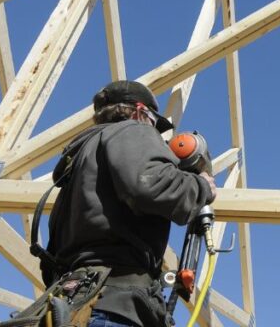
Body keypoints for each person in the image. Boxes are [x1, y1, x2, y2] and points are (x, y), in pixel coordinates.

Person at [43, 80, 217, 326]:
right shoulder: (133, 129)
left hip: (77, 303)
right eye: (155, 123)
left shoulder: (77, 166)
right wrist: (202, 186)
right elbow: (149, 184)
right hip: (113, 305)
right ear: (140, 111)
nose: (157, 134)